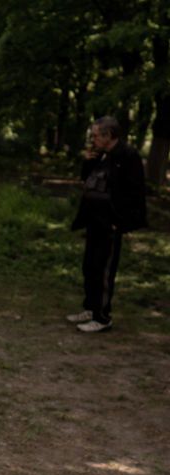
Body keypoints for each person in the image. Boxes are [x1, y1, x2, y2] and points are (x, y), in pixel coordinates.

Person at [67, 116, 147, 332]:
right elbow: (87, 180)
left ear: (108, 135)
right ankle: (91, 309)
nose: (93, 139)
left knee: (103, 269)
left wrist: (121, 223)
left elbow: (135, 193)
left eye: (96, 135)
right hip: (94, 221)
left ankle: (102, 317)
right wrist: (88, 160)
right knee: (90, 266)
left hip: (110, 223)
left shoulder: (128, 156)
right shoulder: (102, 155)